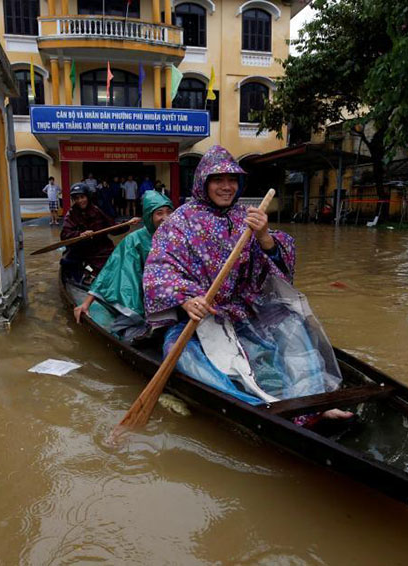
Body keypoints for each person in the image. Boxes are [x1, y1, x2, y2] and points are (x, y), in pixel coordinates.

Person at [143, 145, 352, 422]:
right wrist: (186, 299)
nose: (226, 187)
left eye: (232, 180)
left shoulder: (247, 218)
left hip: (242, 310)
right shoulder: (179, 221)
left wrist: (265, 236)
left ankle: (311, 402)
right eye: (218, 180)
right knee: (184, 359)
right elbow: (158, 270)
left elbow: (280, 266)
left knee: (292, 326)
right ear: (203, 181)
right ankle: (260, 407)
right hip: (198, 318)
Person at [73, 190, 174, 340]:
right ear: (148, 216)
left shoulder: (177, 236)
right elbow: (111, 270)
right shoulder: (135, 240)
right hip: (144, 292)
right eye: (159, 213)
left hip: (172, 291)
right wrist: (87, 303)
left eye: (169, 212)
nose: (165, 218)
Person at [60, 183, 138, 282]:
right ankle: (84, 277)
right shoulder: (71, 215)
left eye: (82, 197)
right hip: (81, 249)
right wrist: (80, 235)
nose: (80, 201)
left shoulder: (96, 210)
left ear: (87, 196)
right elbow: (64, 235)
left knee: (118, 262)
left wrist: (127, 223)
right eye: (76, 198)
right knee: (68, 263)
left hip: (101, 248)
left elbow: (112, 227)